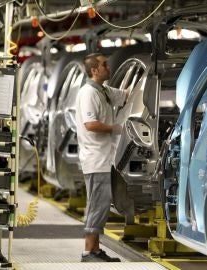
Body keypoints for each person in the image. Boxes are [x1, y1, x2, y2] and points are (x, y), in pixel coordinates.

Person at [76, 53, 128, 262]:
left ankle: (96, 249)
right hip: (95, 158)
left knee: (102, 204)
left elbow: (125, 95)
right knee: (97, 204)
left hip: (104, 158)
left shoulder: (104, 91)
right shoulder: (88, 93)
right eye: (104, 64)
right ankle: (88, 251)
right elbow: (91, 125)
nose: (108, 67)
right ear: (94, 70)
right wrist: (117, 129)